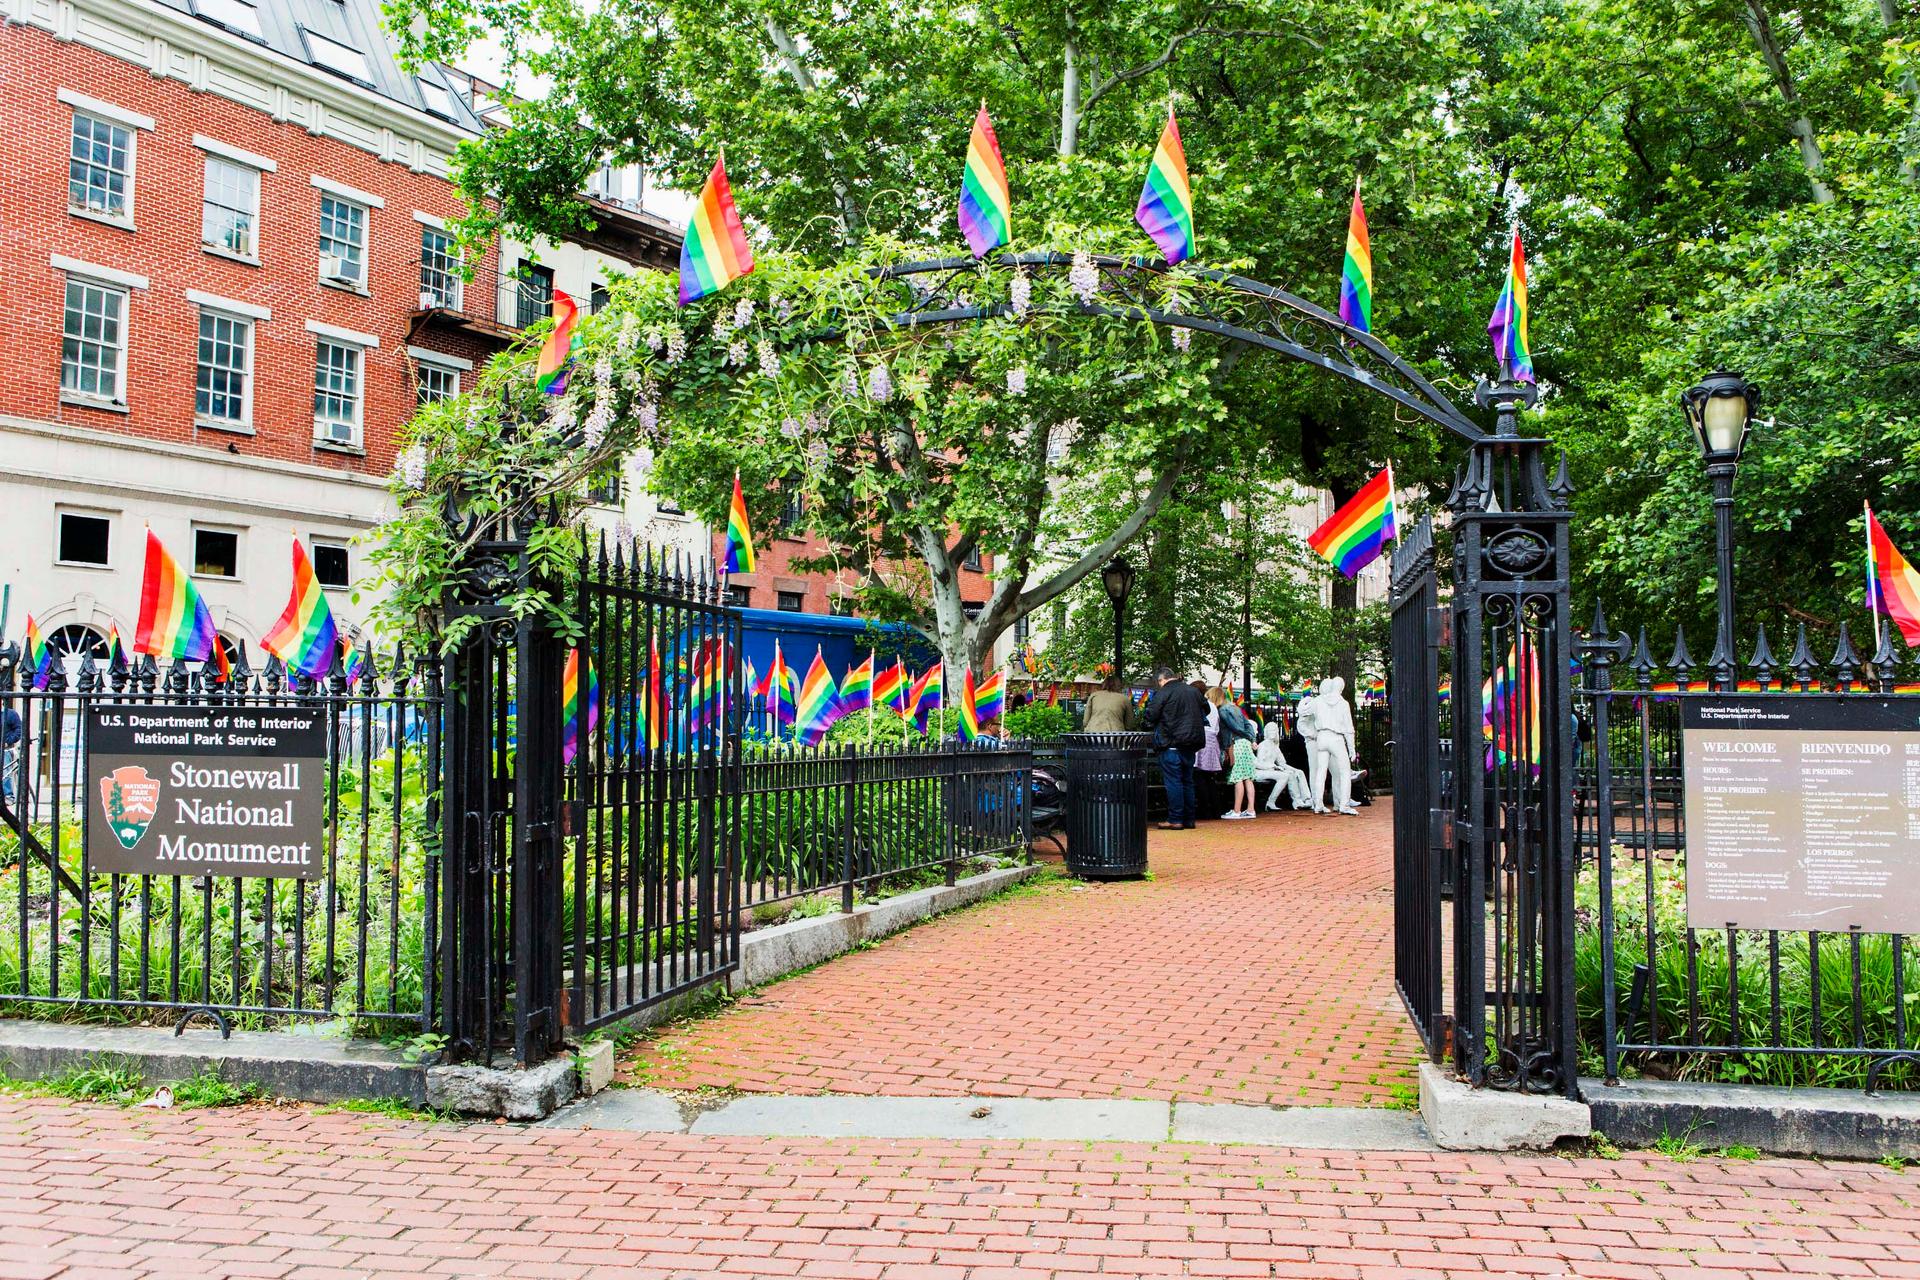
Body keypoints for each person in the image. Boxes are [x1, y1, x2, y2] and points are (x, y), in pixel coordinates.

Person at [1140, 667, 1207, 830]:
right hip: (1191, 743)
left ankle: (1176, 819)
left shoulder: (1163, 693)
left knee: (1174, 782)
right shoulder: (1193, 692)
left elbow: (1151, 715)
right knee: (1187, 781)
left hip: (1171, 743)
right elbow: (1207, 709)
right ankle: (1189, 819)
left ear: (1161, 680)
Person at [1210, 687, 1258, 819]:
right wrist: (1251, 738)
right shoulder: (1235, 707)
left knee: (1237, 777)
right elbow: (1247, 724)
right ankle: (1250, 809)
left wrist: (1245, 735)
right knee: (1248, 778)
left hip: (1235, 744)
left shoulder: (1223, 710)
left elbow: (1234, 727)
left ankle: (1236, 810)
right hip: (1245, 744)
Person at [1254, 720, 1312, 810]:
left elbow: (1282, 763)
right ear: (1266, 732)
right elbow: (1260, 763)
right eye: (1270, 730)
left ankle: (1305, 799)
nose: (1272, 732)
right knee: (1287, 775)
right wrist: (1274, 767)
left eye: (1274, 730)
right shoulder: (1263, 745)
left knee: (1298, 772)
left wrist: (1294, 769)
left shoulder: (1275, 746)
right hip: (1263, 770)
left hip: (1273, 770)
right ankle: (1278, 801)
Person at [1191, 680, 1223, 819]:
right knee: (1209, 777)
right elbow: (1216, 727)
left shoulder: (1198, 705)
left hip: (1201, 739)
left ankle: (1205, 810)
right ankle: (1215, 808)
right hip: (1212, 741)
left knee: (1199, 776)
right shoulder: (1212, 706)